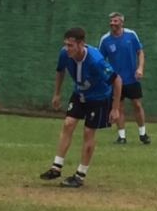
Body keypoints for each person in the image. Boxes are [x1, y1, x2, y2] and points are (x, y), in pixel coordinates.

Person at [40, 26, 121, 188]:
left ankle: (80, 176)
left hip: (98, 97)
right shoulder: (64, 54)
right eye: (65, 44)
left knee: (88, 132)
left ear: (81, 44)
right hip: (79, 94)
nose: (67, 48)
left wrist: (115, 108)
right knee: (68, 124)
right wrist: (56, 94)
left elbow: (117, 80)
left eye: (71, 45)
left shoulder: (95, 60)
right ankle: (56, 167)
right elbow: (60, 71)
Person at [99, 12, 151, 145]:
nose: (112, 24)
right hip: (116, 80)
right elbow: (100, 60)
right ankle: (121, 137)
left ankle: (143, 133)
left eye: (115, 21)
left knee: (137, 105)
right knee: (119, 107)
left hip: (132, 78)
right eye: (111, 21)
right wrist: (106, 75)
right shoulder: (105, 40)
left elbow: (140, 52)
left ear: (122, 22)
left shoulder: (131, 35)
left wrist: (140, 68)